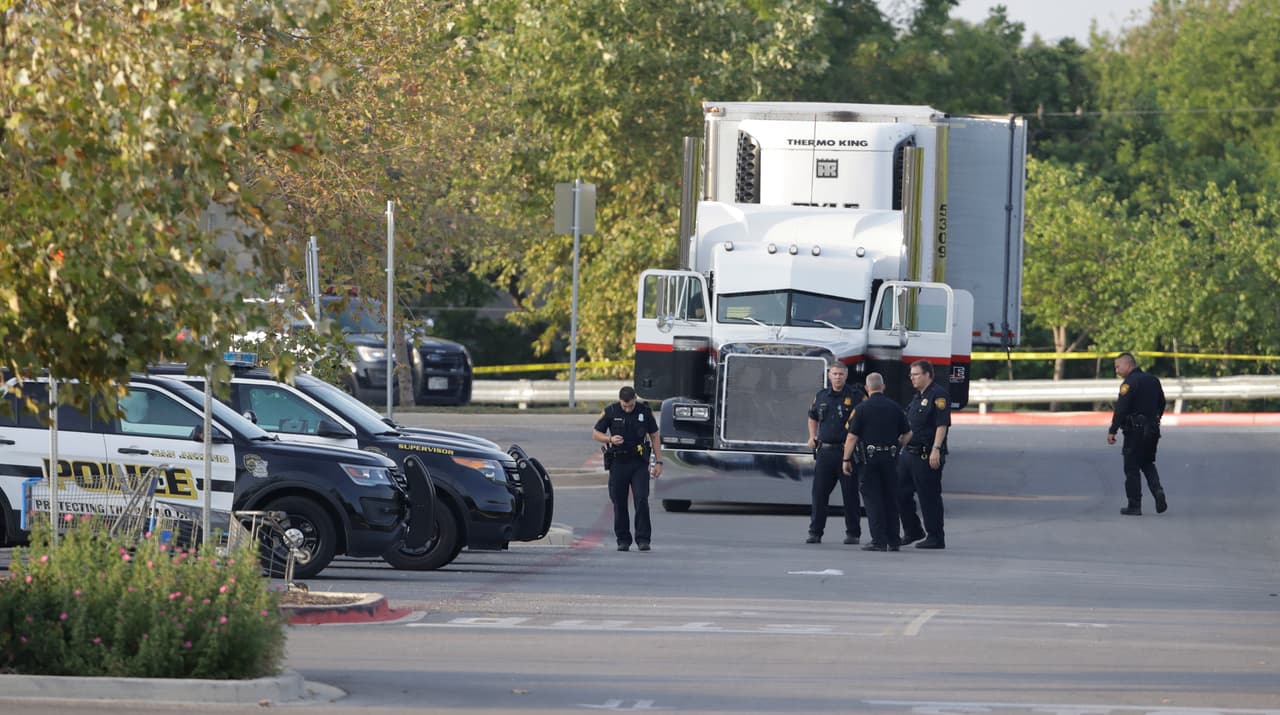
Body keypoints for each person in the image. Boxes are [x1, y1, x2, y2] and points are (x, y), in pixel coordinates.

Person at [842, 372, 910, 551]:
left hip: (869, 460)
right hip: (890, 458)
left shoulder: (862, 408)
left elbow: (851, 437)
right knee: (890, 498)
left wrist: (846, 458)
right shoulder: (895, 407)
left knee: (873, 500)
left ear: (866, 388)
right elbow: (908, 433)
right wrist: (897, 446)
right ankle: (894, 541)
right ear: (883, 387)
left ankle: (878, 540)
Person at [593, 386, 663, 551]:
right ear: (620, 401)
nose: (627, 408)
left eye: (630, 405)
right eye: (624, 406)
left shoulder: (644, 411)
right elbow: (596, 433)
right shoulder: (611, 411)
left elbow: (654, 435)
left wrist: (659, 462)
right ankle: (623, 539)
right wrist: (609, 438)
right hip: (618, 463)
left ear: (634, 400)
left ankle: (643, 539)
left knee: (641, 499)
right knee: (619, 502)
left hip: (639, 462)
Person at [804, 361, 865, 544]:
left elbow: (865, 420)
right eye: (835, 374)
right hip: (825, 452)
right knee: (819, 494)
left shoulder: (857, 396)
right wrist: (812, 436)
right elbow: (812, 416)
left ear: (846, 376)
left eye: (841, 374)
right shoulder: (821, 395)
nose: (838, 377)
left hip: (847, 452)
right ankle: (815, 532)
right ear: (829, 375)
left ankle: (853, 533)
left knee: (850, 494)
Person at [1107, 352, 1168, 516]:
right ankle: (1158, 491)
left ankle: (1134, 505)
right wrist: (1155, 419)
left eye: (1118, 367)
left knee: (1131, 468)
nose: (1117, 370)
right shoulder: (1153, 380)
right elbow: (1162, 403)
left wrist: (1113, 430)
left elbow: (1121, 409)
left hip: (1135, 431)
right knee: (1147, 463)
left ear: (1128, 365)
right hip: (1153, 430)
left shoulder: (1129, 383)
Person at [898, 360, 950, 549]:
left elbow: (941, 424)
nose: (912, 377)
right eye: (911, 374)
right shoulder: (917, 397)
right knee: (900, 493)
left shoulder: (938, 395)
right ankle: (912, 530)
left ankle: (935, 536)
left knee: (929, 496)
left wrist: (936, 449)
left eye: (916, 374)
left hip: (926, 454)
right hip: (909, 453)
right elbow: (911, 427)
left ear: (928, 374)